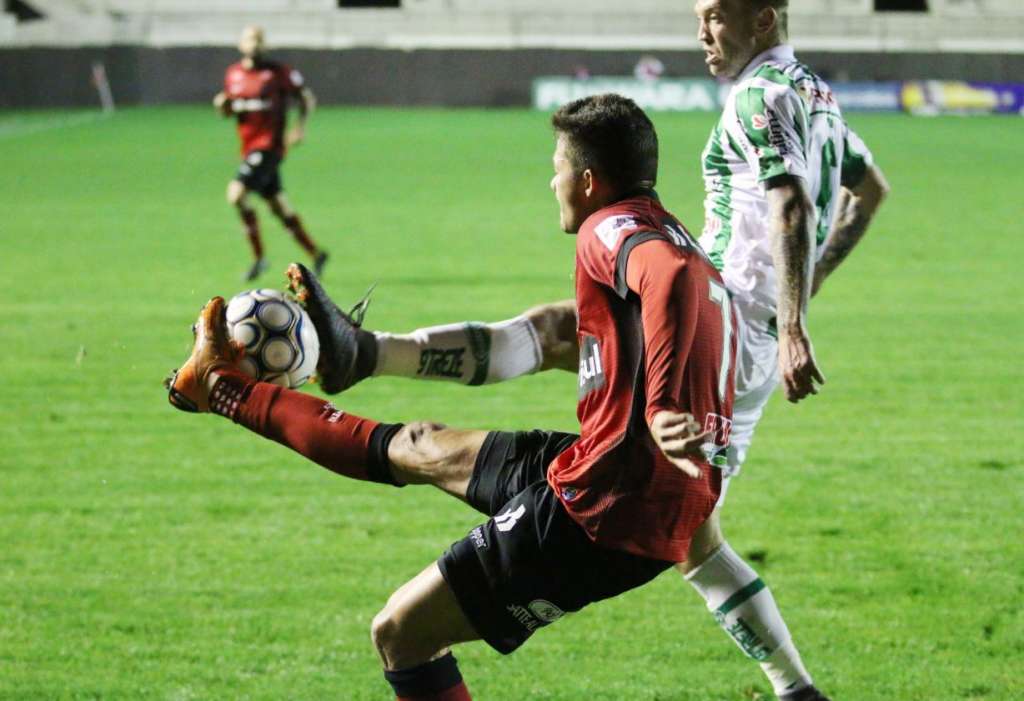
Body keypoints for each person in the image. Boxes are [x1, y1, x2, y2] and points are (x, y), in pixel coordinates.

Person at [298, 2, 889, 698]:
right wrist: (799, 297)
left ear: (762, 19)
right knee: (689, 526)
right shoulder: (817, 95)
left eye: (715, 16)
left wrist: (792, 322)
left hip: (720, 323)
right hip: (738, 327)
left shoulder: (760, 97)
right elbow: (869, 191)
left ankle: (363, 354)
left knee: (575, 357)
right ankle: (797, 688)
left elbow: (792, 205)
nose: (701, 31)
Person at [167, 94, 740, 700]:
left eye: (559, 168)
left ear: (590, 180)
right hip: (624, 474)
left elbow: (666, 277)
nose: (553, 181)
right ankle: (226, 391)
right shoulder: (673, 230)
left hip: (607, 506)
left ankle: (223, 388)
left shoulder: (610, 227)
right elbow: (565, 328)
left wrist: (661, 405)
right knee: (420, 446)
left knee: (401, 633)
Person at [214, 25, 328, 282]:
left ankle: (259, 257)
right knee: (278, 207)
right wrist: (222, 106)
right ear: (241, 44)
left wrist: (300, 128)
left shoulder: (279, 73)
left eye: (258, 40)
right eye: (249, 39)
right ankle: (316, 253)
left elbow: (306, 98)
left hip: (269, 148)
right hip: (249, 148)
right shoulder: (233, 75)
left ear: (265, 45)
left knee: (236, 194)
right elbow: (229, 112)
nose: (254, 44)